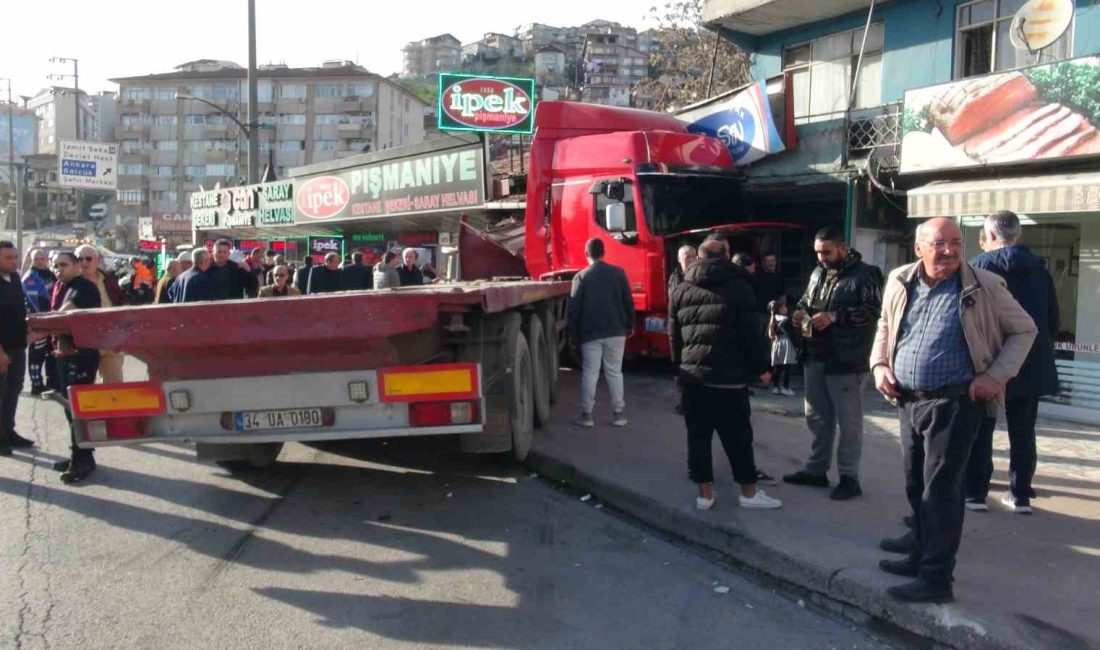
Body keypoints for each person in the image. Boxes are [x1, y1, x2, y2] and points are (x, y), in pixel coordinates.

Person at [871, 217, 1036, 604]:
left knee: (942, 491)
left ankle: (936, 579)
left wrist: (997, 376)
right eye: (939, 243)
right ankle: (919, 553)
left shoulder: (985, 285)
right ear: (918, 248)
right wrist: (879, 364)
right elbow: (885, 324)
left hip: (955, 402)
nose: (948, 250)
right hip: (907, 398)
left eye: (955, 243)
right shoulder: (899, 279)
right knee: (916, 483)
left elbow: (1025, 330)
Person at [670, 239, 782, 510]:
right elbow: (750, 335)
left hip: (694, 378)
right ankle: (748, 494)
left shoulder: (680, 289)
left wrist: (678, 374)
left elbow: (674, 337)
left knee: (698, 438)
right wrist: (762, 370)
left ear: (698, 257)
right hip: (730, 381)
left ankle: (705, 496)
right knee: (738, 438)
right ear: (727, 256)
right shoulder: (739, 287)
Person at [964, 210, 1059, 514]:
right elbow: (1053, 320)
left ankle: (976, 493)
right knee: (1023, 430)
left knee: (981, 427)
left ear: (990, 236)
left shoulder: (977, 268)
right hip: (1030, 360)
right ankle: (1020, 495)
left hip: (988, 361)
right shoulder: (1040, 271)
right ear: (1017, 235)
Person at [784, 226, 883, 501]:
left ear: (842, 247)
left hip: (847, 361)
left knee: (848, 423)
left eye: (826, 252)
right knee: (816, 417)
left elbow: (874, 313)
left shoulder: (867, 274)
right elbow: (805, 301)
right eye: (817, 252)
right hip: (814, 355)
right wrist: (800, 316)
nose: (821, 257)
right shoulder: (817, 272)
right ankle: (816, 470)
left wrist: (835, 317)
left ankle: (849, 478)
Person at [46, 251, 103, 483]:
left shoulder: (83, 287)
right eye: (56, 265)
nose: (59, 269)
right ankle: (81, 456)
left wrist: (40, 323)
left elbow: (62, 316)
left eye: (64, 265)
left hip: (81, 357)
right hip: (67, 355)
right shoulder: (64, 286)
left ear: (77, 266)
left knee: (77, 410)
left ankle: (80, 461)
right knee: (71, 410)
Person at [566, 238, 634, 427]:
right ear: (604, 252)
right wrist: (630, 325)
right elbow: (628, 302)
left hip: (590, 333)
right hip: (616, 331)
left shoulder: (581, 277)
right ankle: (619, 414)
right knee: (614, 372)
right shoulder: (618, 273)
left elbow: (573, 309)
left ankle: (587, 415)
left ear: (586, 254)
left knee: (590, 373)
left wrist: (572, 334)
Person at [74, 245, 128, 384]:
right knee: (83, 386)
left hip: (111, 339)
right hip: (84, 342)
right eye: (80, 259)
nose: (84, 262)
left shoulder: (107, 279)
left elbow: (120, 302)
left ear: (96, 261)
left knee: (114, 383)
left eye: (88, 259)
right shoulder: (70, 282)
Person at [0, 241, 34, 456]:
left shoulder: (14, 278)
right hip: (1, 349)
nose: (14, 261)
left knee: (14, 389)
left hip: (17, 346)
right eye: (8, 258)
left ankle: (7, 430)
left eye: (15, 257)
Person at [22, 248, 58, 395]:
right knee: (37, 355)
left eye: (43, 259)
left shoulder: (51, 275)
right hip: (39, 321)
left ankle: (52, 382)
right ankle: (37, 384)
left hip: (51, 320)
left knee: (50, 352)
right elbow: (34, 303)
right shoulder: (31, 277)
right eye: (36, 259)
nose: (40, 261)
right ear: (32, 260)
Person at [768, 297, 797, 397]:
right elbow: (792, 332)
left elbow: (770, 334)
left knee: (778, 366)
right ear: (779, 309)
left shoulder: (773, 319)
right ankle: (786, 387)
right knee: (787, 366)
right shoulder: (786, 320)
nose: (786, 308)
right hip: (786, 343)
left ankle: (776, 386)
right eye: (784, 307)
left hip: (776, 343)